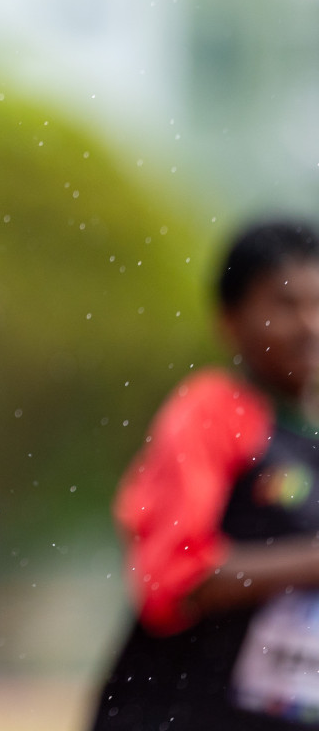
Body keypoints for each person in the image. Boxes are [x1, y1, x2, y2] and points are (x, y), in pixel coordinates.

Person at [93, 220, 319, 730]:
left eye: (318, 304)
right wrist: (310, 562)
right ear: (229, 320)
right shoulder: (212, 414)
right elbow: (175, 579)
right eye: (285, 306)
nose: (310, 325)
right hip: (177, 711)